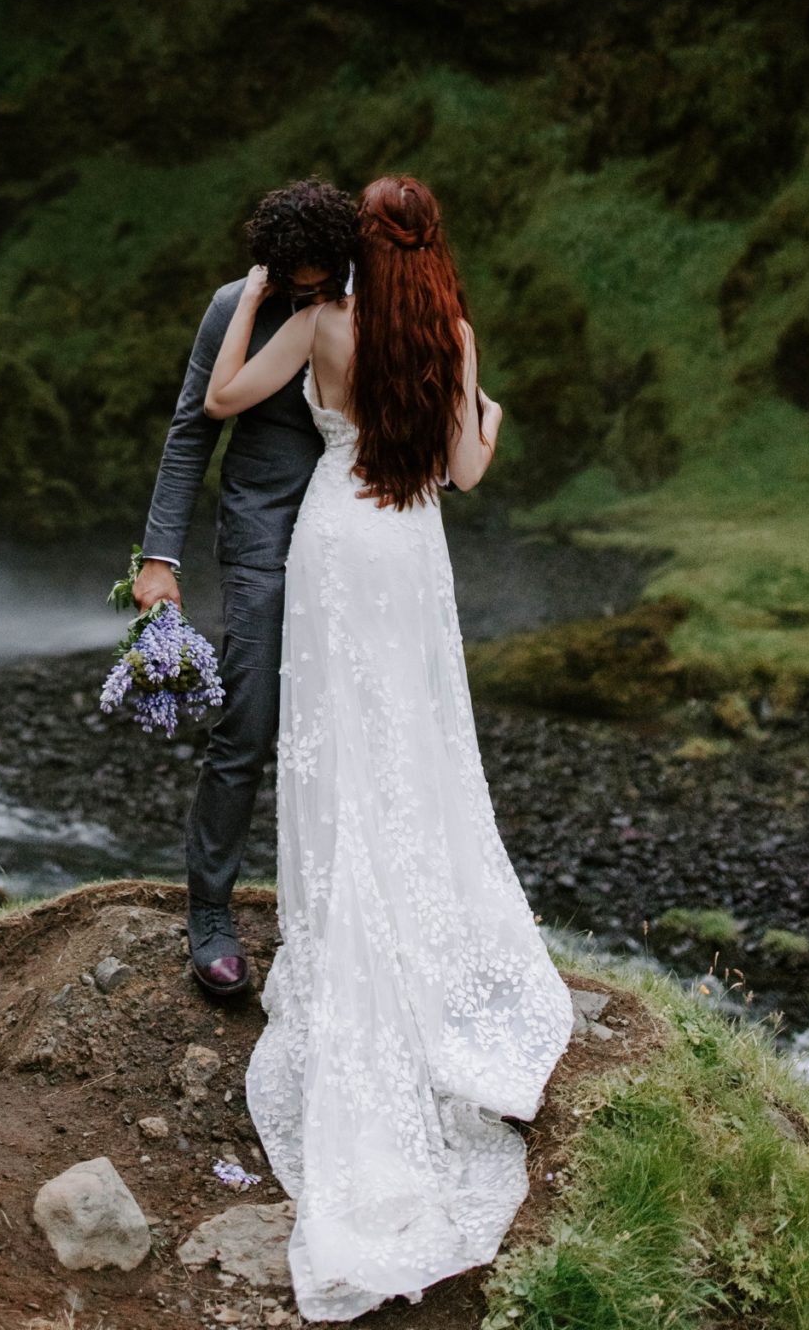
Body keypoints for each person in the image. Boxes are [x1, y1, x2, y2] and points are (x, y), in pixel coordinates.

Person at [201, 172, 572, 1321]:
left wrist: (264, 287)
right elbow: (463, 472)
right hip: (409, 549)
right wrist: (493, 418)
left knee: (333, 747)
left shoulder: (321, 320)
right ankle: (423, 930)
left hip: (332, 539)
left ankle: (339, 922)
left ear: (361, 243)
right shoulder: (449, 331)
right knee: (413, 744)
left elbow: (221, 401)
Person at [134, 178, 360, 998]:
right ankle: (210, 915)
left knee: (352, 723)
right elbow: (194, 427)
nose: (312, 292)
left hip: (357, 531)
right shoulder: (234, 303)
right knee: (248, 720)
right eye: (293, 280)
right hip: (262, 527)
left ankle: (344, 919)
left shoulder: (378, 297)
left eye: (322, 277)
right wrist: (160, 558)